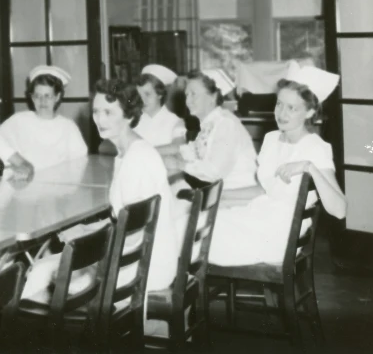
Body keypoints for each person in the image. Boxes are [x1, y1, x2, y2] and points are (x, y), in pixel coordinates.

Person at [21, 79, 178, 334]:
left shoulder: (138, 159)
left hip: (144, 266)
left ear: (128, 116)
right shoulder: (128, 153)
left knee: (41, 271)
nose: (99, 119)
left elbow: (133, 230)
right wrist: (85, 227)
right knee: (44, 268)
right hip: (143, 256)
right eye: (96, 111)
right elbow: (125, 218)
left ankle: (34, 338)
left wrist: (86, 237)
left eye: (108, 112)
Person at [209, 65, 346, 265]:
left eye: (292, 108)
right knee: (199, 222)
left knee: (199, 234)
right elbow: (265, 190)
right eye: (279, 104)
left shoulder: (315, 148)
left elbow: (340, 210)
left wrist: (310, 168)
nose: (282, 114)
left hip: (281, 234)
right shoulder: (271, 139)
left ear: (309, 112)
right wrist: (220, 197)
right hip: (260, 216)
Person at [178, 69, 257, 190]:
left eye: (193, 94)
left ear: (213, 97)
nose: (187, 101)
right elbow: (193, 154)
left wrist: (179, 164)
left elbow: (214, 171)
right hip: (223, 193)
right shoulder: (210, 124)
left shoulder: (226, 123)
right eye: (186, 95)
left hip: (239, 195)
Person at [0, 65, 88, 170]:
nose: (42, 101)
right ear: (32, 97)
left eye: (47, 96)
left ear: (57, 96)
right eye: (38, 96)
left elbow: (79, 162)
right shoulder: (18, 121)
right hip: (24, 183)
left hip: (60, 183)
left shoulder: (68, 127)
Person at [135, 64, 187, 152]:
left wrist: (143, 152)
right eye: (139, 95)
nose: (142, 100)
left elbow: (179, 147)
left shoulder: (174, 121)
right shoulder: (134, 119)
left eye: (147, 94)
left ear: (160, 94)